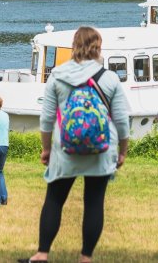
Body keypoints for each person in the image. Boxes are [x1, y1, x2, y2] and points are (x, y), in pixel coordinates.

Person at [20, 26, 131, 263]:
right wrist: (122, 151)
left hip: (64, 148)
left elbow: (47, 119)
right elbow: (122, 120)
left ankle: (42, 254)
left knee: (54, 199)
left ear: (74, 46)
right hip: (102, 149)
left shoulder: (58, 75)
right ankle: (85, 257)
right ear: (98, 48)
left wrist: (47, 148)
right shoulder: (109, 78)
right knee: (94, 202)